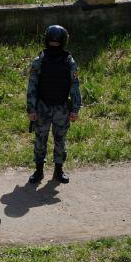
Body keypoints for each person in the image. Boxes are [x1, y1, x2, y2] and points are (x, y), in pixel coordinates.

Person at [26, 25, 82, 185]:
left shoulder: (69, 61)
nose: (54, 45)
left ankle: (59, 170)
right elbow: (32, 85)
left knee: (60, 139)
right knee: (40, 139)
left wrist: (76, 108)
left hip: (62, 108)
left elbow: (74, 85)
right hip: (42, 106)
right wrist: (31, 108)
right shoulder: (39, 61)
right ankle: (39, 170)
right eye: (52, 42)